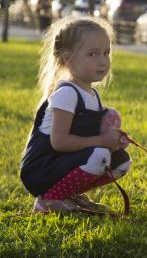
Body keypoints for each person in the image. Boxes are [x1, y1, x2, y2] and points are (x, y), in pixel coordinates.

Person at [20, 16, 131, 213]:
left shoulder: (92, 95)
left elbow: (89, 138)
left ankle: (68, 194)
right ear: (67, 59)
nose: (103, 61)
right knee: (99, 155)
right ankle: (49, 199)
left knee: (121, 162)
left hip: (63, 163)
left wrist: (112, 141)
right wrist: (101, 140)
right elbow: (59, 142)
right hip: (42, 168)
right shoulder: (67, 94)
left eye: (106, 53)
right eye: (92, 54)